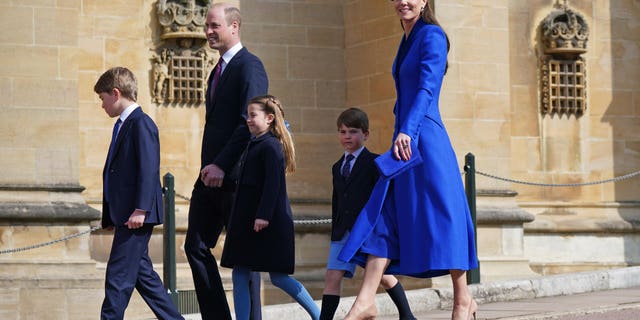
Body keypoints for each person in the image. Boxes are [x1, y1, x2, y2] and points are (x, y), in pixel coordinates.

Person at [338, 1, 479, 319]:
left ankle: (462, 298)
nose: (403, 1)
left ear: (425, 0)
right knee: (386, 215)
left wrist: (407, 130)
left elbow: (427, 89)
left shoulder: (432, 36)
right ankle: (365, 301)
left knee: (444, 215)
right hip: (405, 137)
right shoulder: (407, 37)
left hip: (424, 140)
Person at [184, 3, 268, 320]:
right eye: (207, 26)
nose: (208, 32)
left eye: (214, 25)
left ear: (234, 26)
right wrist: (211, 167)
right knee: (195, 246)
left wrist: (222, 164)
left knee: (245, 256)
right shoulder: (216, 71)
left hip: (237, 177)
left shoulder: (250, 66)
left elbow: (249, 123)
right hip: (212, 177)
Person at [220, 95, 320, 320]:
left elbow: (273, 184)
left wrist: (263, 216)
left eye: (253, 115)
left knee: (278, 277)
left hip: (267, 223)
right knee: (240, 272)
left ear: (269, 118)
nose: (248, 119)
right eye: (247, 115)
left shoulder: (271, 146)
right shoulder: (254, 143)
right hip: (248, 222)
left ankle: (319, 315)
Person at [95, 66, 184, 320]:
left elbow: (148, 167)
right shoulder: (123, 125)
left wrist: (141, 209)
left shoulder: (141, 123)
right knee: (144, 278)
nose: (102, 105)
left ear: (115, 93)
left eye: (102, 98)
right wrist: (110, 216)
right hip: (126, 214)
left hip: (137, 214)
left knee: (117, 277)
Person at [319, 108, 416, 320]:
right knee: (333, 276)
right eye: (342, 131)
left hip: (367, 230)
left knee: (382, 276)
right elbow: (338, 200)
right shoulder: (337, 167)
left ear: (366, 134)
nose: (347, 136)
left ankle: (407, 315)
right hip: (342, 231)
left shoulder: (375, 163)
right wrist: (335, 229)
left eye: (353, 131)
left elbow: (383, 198)